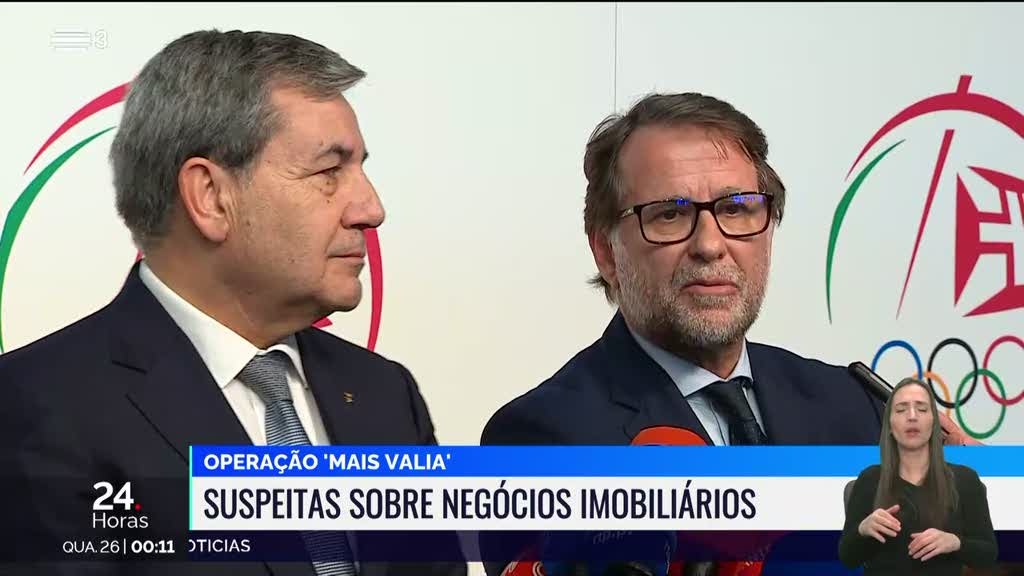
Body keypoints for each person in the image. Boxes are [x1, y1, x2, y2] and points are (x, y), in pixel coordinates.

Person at [0, 30, 465, 576]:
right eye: (328, 172)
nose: (371, 208)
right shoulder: (35, 408)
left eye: (362, 168)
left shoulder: (385, 395)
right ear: (211, 197)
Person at [479, 92, 887, 575]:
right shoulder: (539, 441)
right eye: (669, 214)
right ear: (606, 252)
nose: (710, 245)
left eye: (736, 209)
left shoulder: (854, 406)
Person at [838, 378, 997, 574]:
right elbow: (848, 558)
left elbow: (987, 555)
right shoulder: (869, 479)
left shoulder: (965, 479)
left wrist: (955, 542)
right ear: (890, 424)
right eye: (901, 410)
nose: (912, 416)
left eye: (921, 409)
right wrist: (863, 530)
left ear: (934, 422)